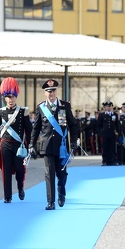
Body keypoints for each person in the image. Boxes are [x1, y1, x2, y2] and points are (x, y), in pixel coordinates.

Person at [29, 79, 78, 210]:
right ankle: (50, 202)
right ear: (45, 93)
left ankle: (61, 192)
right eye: (48, 91)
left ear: (57, 91)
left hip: (62, 147)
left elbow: (73, 125)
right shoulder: (41, 108)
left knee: (62, 174)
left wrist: (74, 141)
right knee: (49, 174)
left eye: (53, 91)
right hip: (47, 147)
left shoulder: (64, 106)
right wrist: (31, 145)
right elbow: (36, 128)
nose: (51, 94)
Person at [0, 77, 33, 204]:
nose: (11, 99)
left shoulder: (23, 111)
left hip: (19, 145)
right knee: (6, 170)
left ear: (16, 96)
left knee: (20, 169)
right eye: (8, 97)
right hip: (4, 144)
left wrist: (31, 144)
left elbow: (29, 130)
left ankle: (20, 187)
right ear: (4, 98)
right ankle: (7, 196)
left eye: (13, 96)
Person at [97, 101, 119, 165]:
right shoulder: (102, 115)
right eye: (107, 106)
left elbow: (117, 125)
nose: (109, 108)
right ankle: (105, 160)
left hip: (112, 134)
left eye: (110, 106)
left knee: (112, 147)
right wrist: (100, 133)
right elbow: (99, 125)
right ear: (105, 107)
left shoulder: (115, 115)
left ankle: (113, 160)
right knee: (105, 148)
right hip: (105, 134)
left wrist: (117, 132)